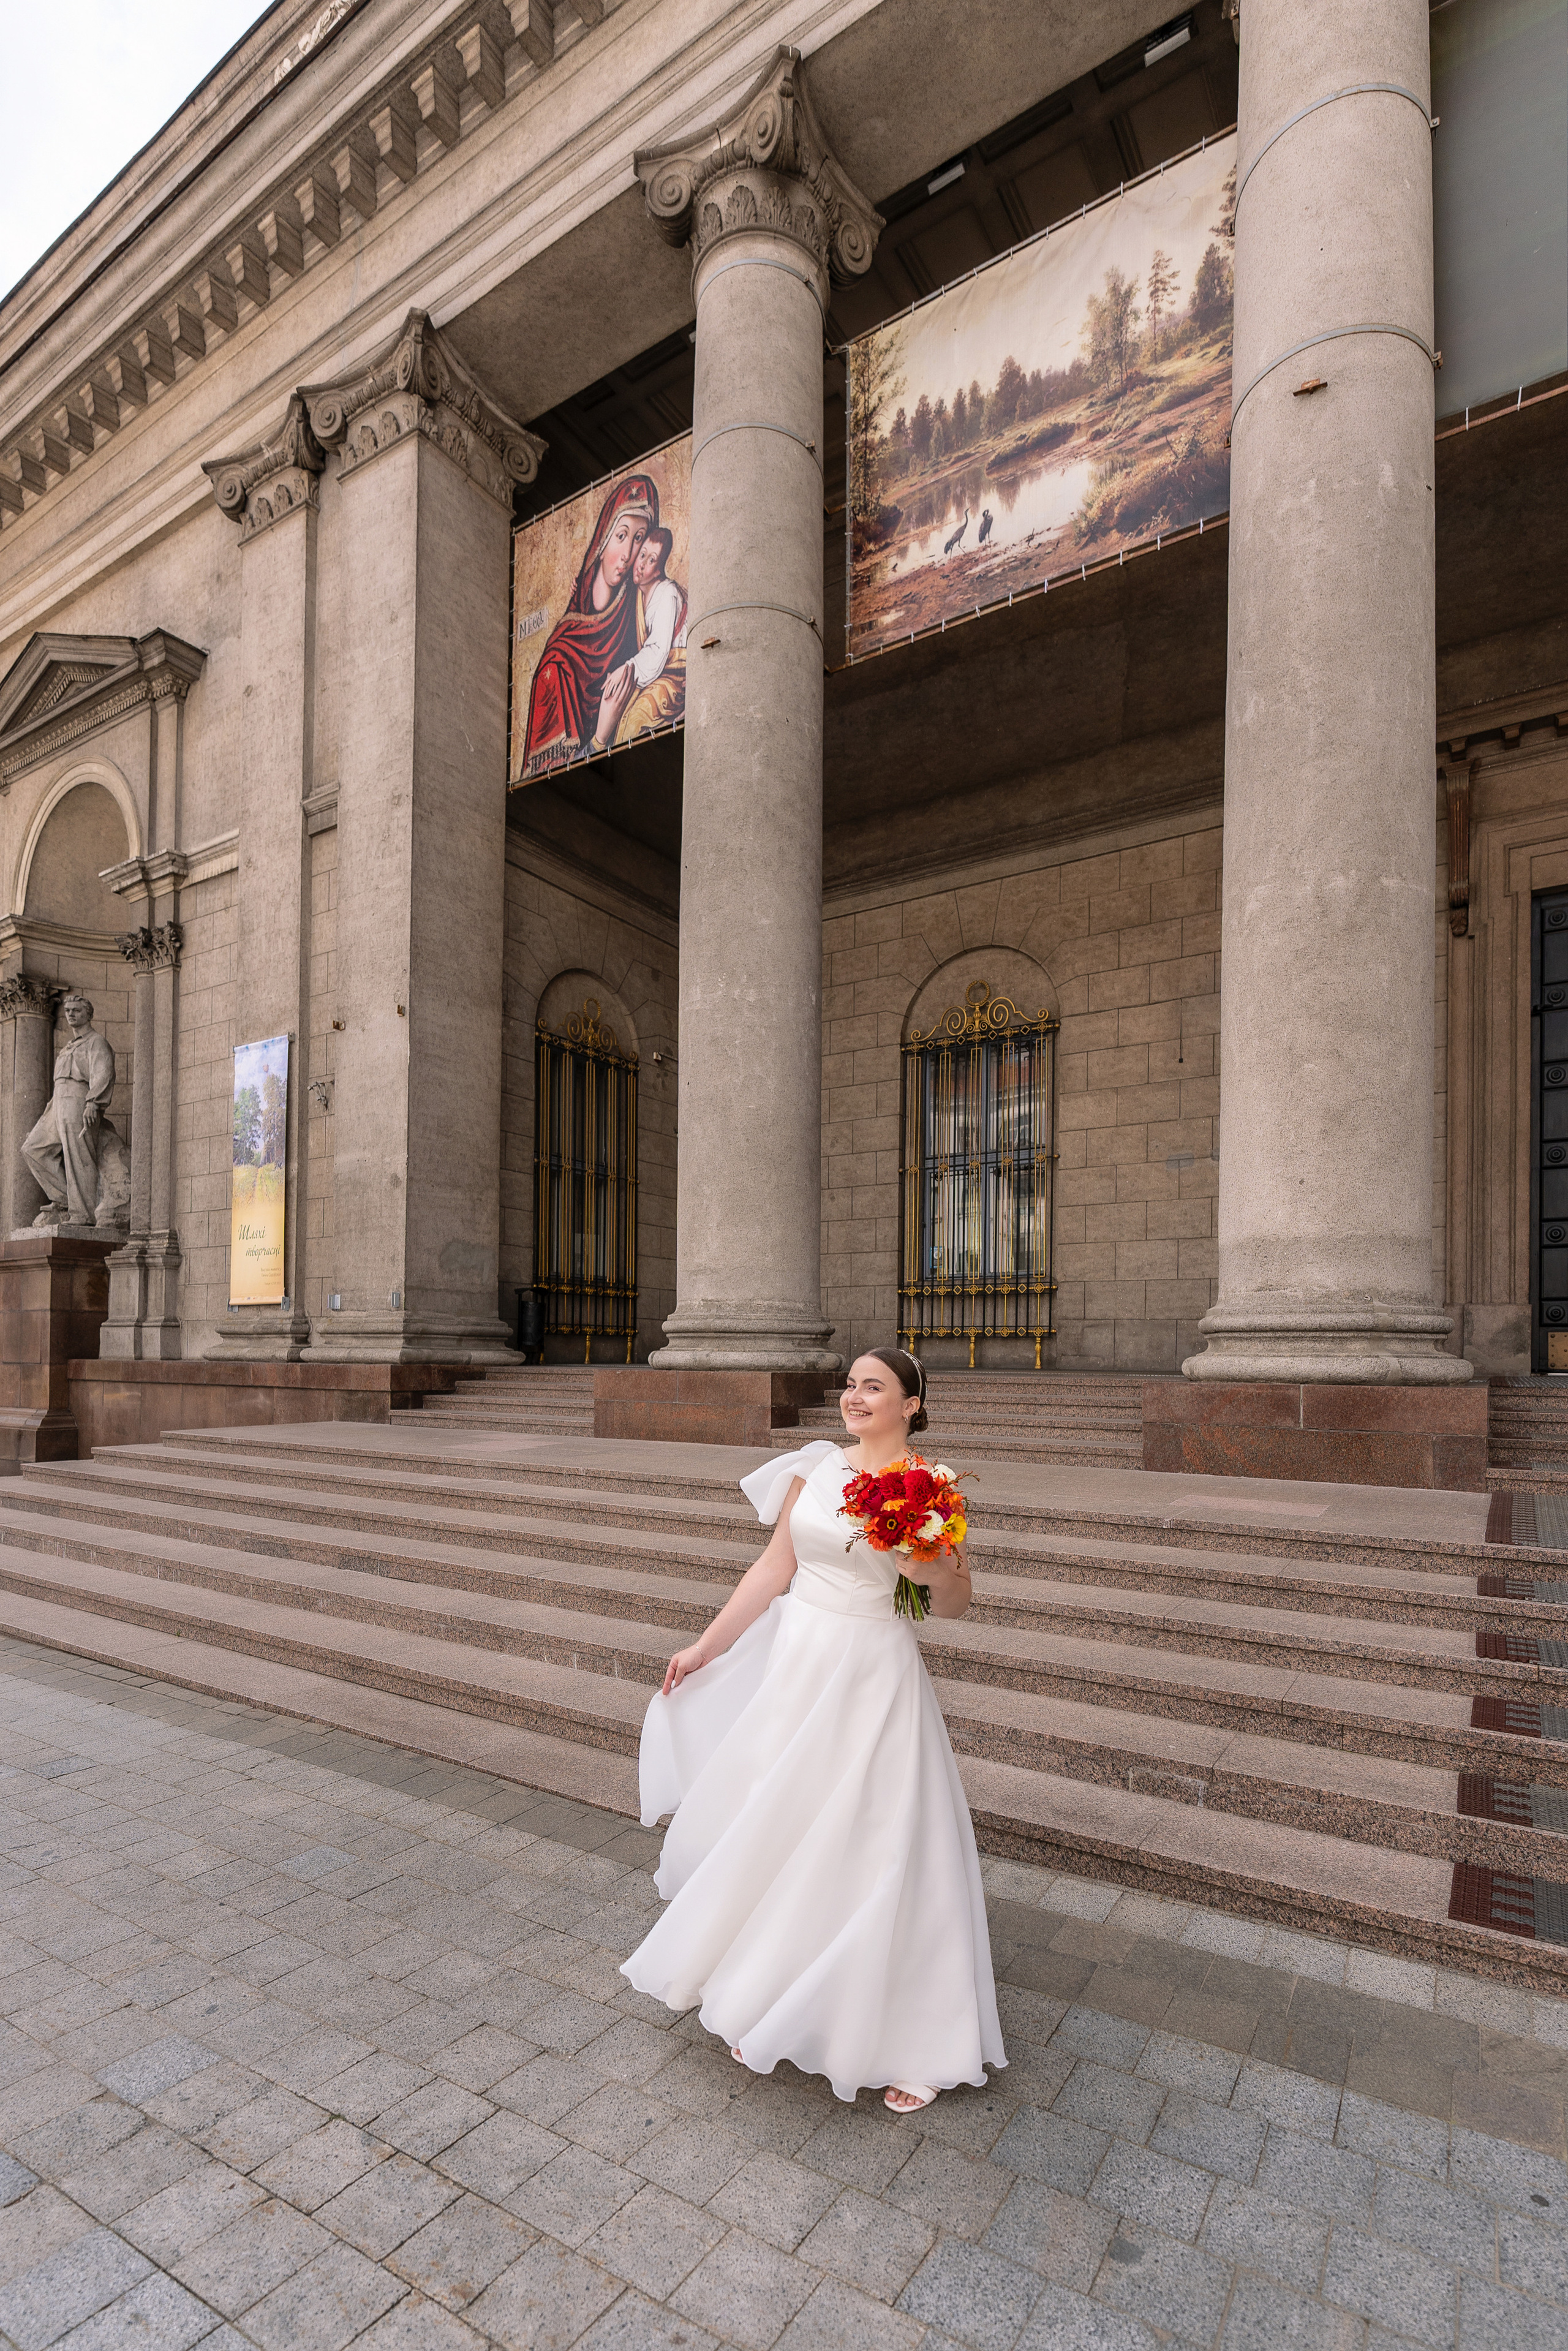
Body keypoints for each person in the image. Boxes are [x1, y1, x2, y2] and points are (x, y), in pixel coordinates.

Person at [622, 1347, 1006, 2114]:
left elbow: (955, 1600)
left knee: (876, 1840)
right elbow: (772, 1570)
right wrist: (705, 1647)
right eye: (851, 1384)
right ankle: (769, 1995)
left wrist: (926, 1567)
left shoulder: (933, 1489)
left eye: (874, 1386)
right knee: (787, 1825)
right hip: (799, 1662)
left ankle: (917, 2037)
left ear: (911, 1405)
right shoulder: (815, 1467)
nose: (854, 1397)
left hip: (872, 1672)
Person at [521, 473, 657, 777]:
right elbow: (552, 780)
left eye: (639, 539)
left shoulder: (634, 614)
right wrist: (600, 739)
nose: (628, 555)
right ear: (601, 542)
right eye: (621, 536)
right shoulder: (556, 667)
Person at [602, 526, 687, 746]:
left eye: (651, 560)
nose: (641, 564)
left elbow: (658, 652)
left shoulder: (667, 593)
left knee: (635, 721)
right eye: (642, 555)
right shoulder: (639, 594)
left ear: (659, 569)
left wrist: (626, 669)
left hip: (677, 676)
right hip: (658, 673)